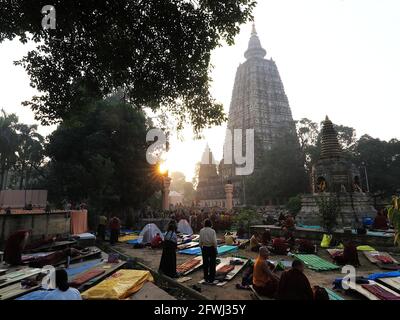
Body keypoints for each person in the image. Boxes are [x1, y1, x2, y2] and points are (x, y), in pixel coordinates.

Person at [199, 219, 218, 284]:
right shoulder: (212, 231)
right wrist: (215, 249)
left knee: (205, 263)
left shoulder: (201, 230)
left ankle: (206, 277)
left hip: (205, 248)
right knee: (212, 263)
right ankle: (211, 278)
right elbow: (214, 241)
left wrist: (201, 248)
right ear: (210, 224)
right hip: (211, 248)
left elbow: (200, 241)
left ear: (205, 224)